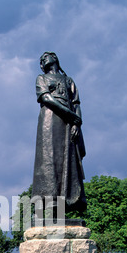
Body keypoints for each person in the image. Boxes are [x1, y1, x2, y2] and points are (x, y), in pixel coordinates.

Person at [32, 52, 87, 220]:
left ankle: (67, 205)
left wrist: (76, 123)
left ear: (56, 59)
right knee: (48, 161)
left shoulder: (69, 80)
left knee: (68, 161)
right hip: (50, 121)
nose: (46, 57)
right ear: (42, 65)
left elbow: (76, 103)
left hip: (68, 124)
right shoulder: (41, 78)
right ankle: (44, 207)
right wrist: (71, 115)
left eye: (49, 55)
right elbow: (46, 98)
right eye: (43, 58)